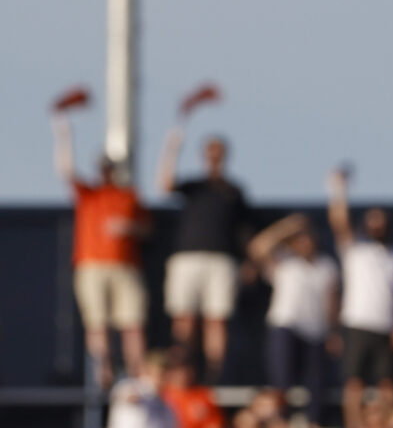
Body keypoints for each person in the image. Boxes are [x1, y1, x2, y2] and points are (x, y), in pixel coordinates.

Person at [52, 112, 151, 387]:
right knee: (97, 323)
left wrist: (128, 228)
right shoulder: (88, 193)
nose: (107, 172)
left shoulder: (130, 195)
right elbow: (65, 170)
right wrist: (63, 133)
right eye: (103, 167)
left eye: (111, 167)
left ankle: (137, 373)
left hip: (126, 267)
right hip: (91, 265)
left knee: (132, 322)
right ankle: (102, 372)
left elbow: (147, 228)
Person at [157, 123, 251, 382]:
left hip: (222, 261)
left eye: (218, 151)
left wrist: (248, 262)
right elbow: (164, 185)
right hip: (187, 259)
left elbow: (244, 231)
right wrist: (172, 147)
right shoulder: (194, 186)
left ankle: (213, 378)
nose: (214, 155)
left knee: (216, 321)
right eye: (210, 150)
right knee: (184, 319)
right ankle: (181, 373)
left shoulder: (234, 191)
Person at [329, 168, 393, 428]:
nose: (376, 225)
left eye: (380, 220)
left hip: (387, 327)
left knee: (387, 384)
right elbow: (339, 221)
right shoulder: (355, 251)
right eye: (372, 220)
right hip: (356, 324)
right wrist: (339, 189)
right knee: (354, 384)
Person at [246, 213, 340, 427]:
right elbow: (257, 247)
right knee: (281, 381)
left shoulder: (327, 266)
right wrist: (287, 227)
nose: (305, 243)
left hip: (316, 331)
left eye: (309, 238)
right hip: (285, 327)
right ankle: (280, 422)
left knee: (317, 383)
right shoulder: (283, 261)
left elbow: (332, 302)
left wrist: (334, 332)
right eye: (300, 239)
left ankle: (313, 422)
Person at [108, 350, 177, 428]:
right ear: (148, 370)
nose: (163, 378)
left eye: (166, 373)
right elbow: (122, 395)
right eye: (160, 373)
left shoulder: (167, 407)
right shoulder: (130, 386)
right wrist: (133, 398)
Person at [161, 346, 224, 428]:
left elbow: (214, 423)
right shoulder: (161, 396)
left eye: (185, 369)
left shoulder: (203, 395)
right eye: (177, 370)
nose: (182, 375)